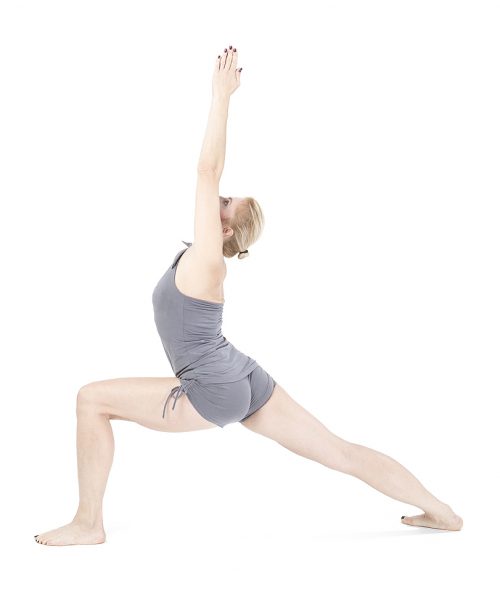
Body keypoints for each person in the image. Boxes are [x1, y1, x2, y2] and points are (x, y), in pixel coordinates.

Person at [34, 44, 463, 546]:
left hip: (214, 387)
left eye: (223, 203)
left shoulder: (208, 261)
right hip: (242, 375)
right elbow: (208, 181)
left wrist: (221, 96)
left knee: (91, 399)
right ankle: (442, 512)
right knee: (338, 451)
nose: (215, 197)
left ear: (225, 230)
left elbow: (206, 170)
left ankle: (88, 524)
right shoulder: (199, 258)